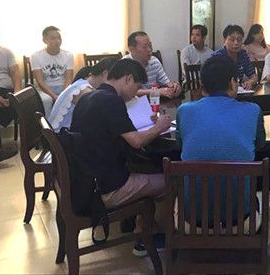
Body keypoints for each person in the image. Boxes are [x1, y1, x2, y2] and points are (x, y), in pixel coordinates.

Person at [70, 59, 173, 255]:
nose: (136, 93)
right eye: (137, 87)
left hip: (85, 180)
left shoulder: (89, 97)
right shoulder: (112, 101)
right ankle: (147, 237)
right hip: (105, 189)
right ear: (128, 79)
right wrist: (159, 127)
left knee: (147, 168)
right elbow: (136, 141)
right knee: (170, 179)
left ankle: (139, 225)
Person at [176, 56, 270, 242]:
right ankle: (255, 249)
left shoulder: (184, 111)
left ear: (202, 85)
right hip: (241, 220)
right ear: (232, 83)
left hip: (193, 221)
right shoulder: (253, 110)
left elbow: (180, 145)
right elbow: (260, 144)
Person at [49, 57, 117, 132]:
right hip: (61, 135)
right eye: (116, 79)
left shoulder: (82, 83)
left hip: (59, 132)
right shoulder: (85, 91)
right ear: (105, 73)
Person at [30, 26, 74, 117]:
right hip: (45, 89)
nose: (57, 41)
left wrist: (64, 94)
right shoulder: (36, 56)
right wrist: (53, 96)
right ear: (45, 40)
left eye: (59, 38)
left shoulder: (68, 55)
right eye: (53, 38)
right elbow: (40, 81)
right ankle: (49, 124)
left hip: (63, 87)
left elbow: (69, 79)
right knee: (46, 100)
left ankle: (69, 123)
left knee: (75, 97)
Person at [124, 31, 181, 98]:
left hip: (153, 102)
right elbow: (126, 91)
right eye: (144, 47)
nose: (149, 50)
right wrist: (155, 91)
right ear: (132, 49)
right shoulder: (124, 64)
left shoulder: (154, 61)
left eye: (150, 46)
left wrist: (174, 86)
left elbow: (166, 83)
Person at [212, 25, 258, 90]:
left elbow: (254, 77)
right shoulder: (217, 57)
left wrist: (250, 82)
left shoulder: (243, 55)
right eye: (232, 39)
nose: (236, 43)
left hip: (238, 91)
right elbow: (212, 81)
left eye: (239, 40)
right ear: (224, 41)